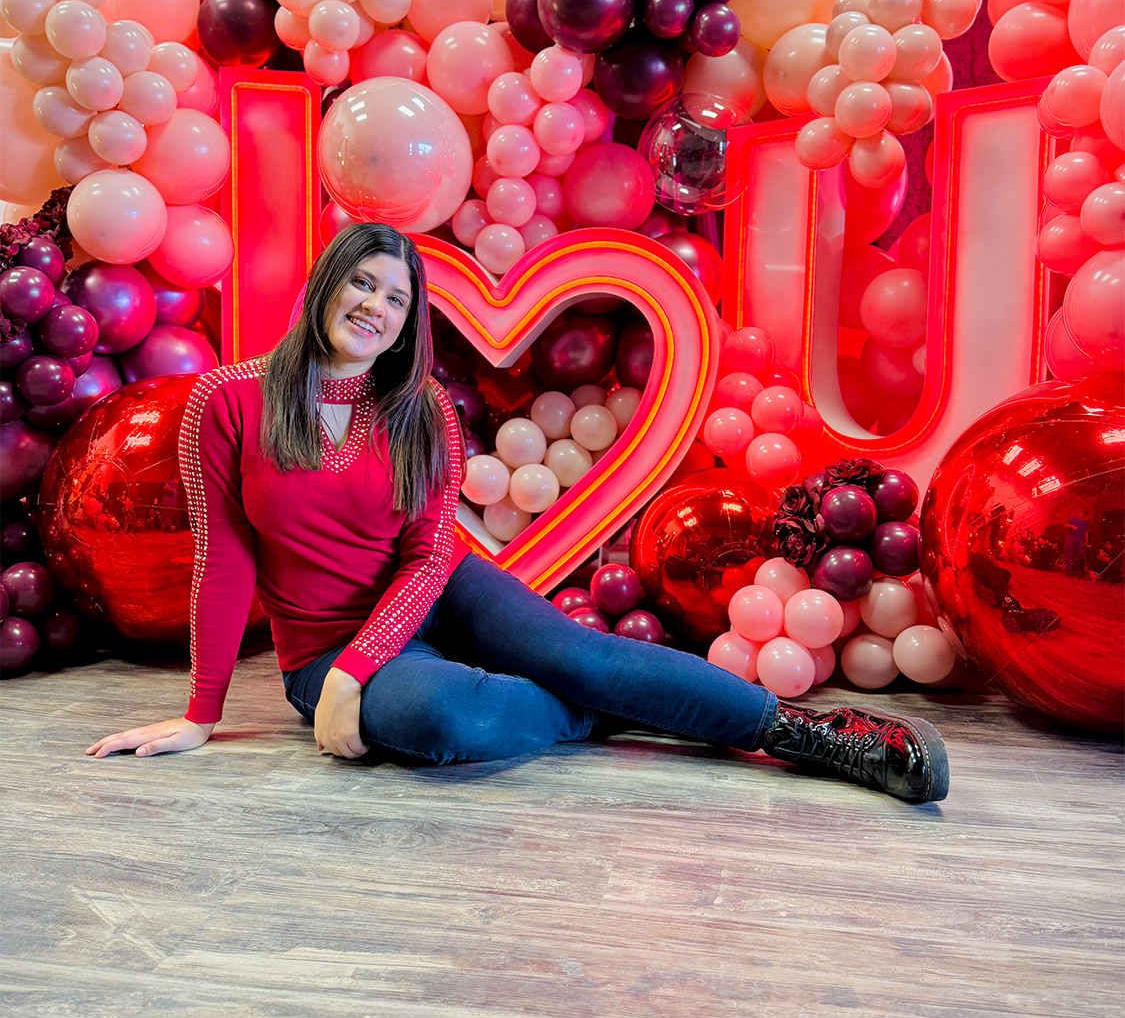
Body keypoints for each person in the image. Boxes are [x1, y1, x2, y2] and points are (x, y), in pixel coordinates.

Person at [87, 223, 948, 804]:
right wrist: (204, 712)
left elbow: (429, 556)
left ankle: (815, 736)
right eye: (362, 284)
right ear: (325, 285)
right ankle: (594, 706)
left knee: (591, 656)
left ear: (405, 323)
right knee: (448, 722)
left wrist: (362, 670)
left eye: (395, 299)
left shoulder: (421, 411)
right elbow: (224, 562)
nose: (375, 308)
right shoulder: (225, 402)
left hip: (438, 594)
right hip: (320, 648)